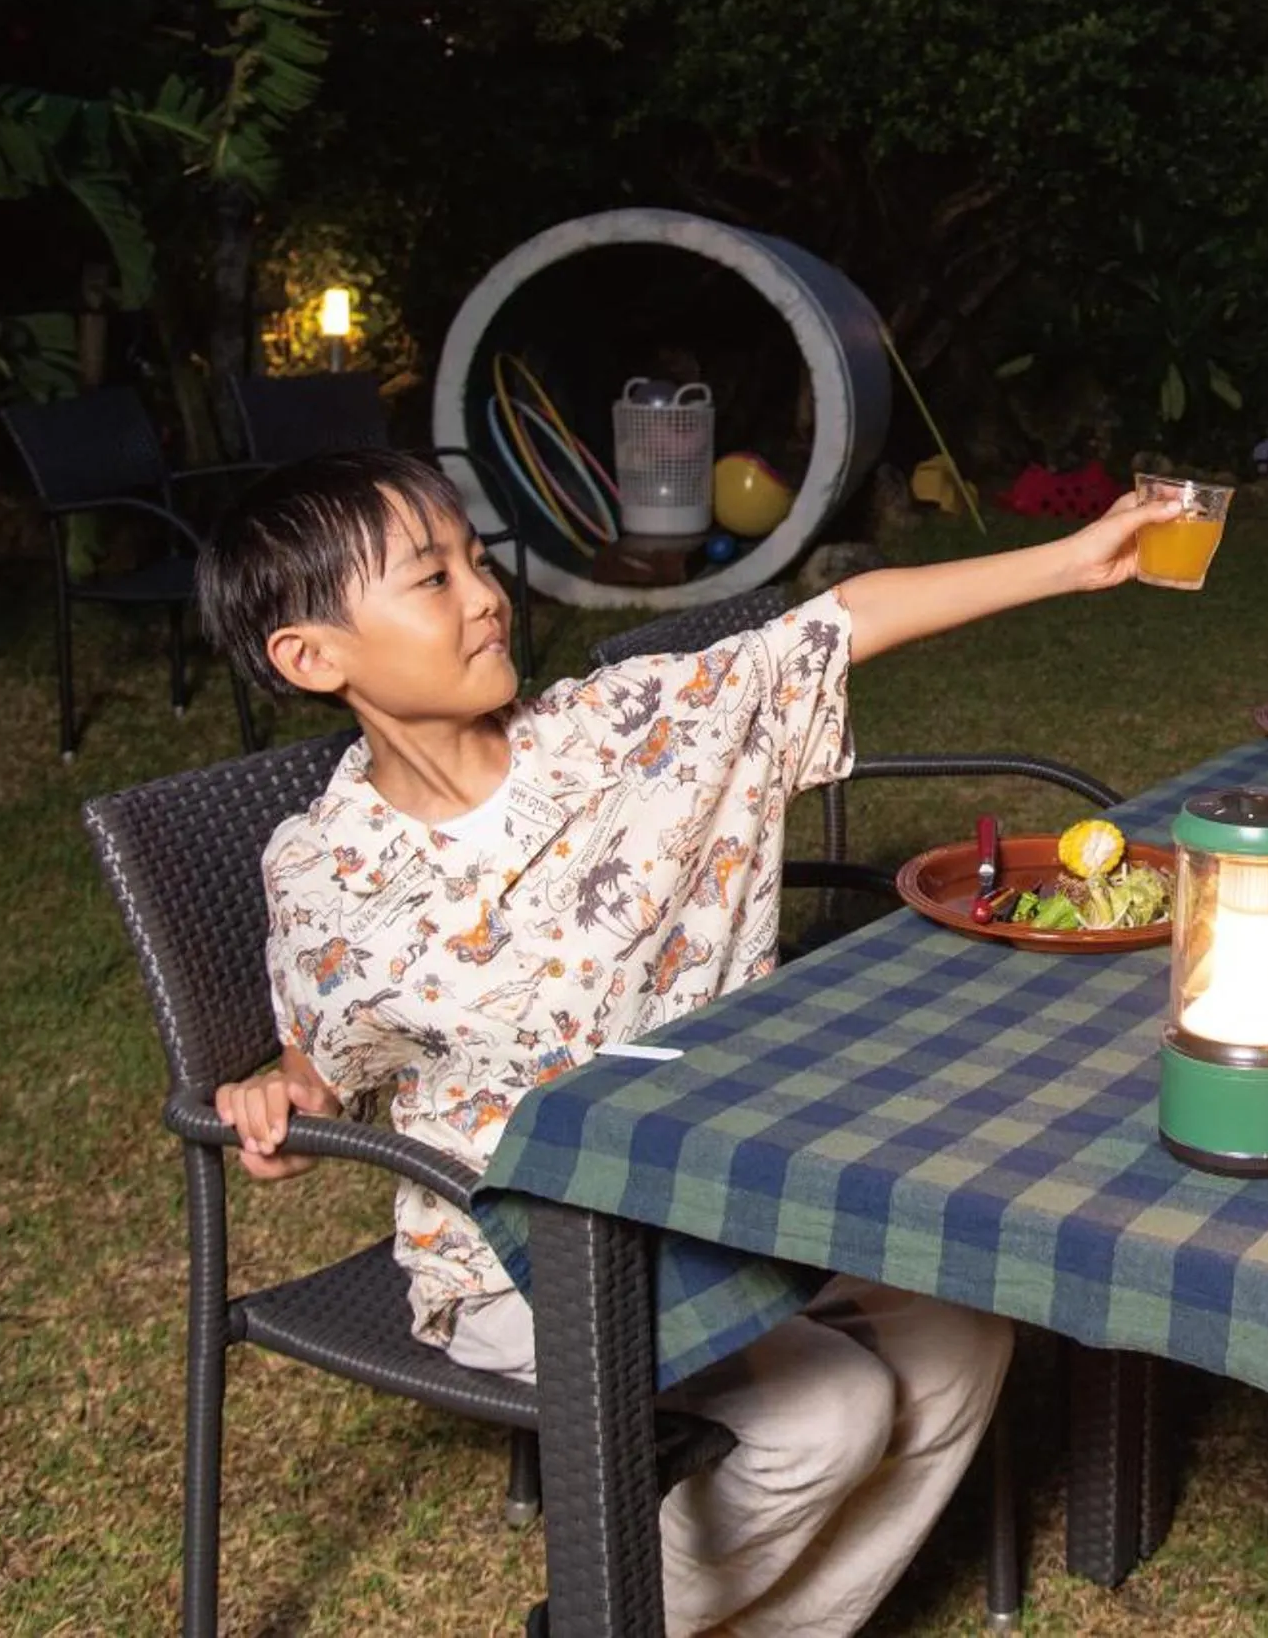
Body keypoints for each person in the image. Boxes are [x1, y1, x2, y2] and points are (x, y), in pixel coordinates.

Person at [198, 448, 1174, 1638]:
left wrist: (1075, 560)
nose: (485, 591)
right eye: (431, 578)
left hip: (727, 1185)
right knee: (831, 1415)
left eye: (472, 556)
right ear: (314, 658)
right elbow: (326, 1063)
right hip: (523, 1247)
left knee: (966, 1334)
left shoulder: (627, 728)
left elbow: (830, 627)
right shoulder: (322, 869)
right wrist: (276, 1101)